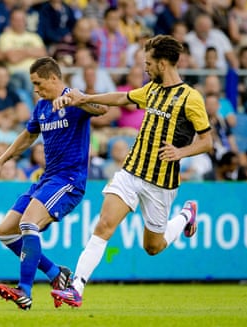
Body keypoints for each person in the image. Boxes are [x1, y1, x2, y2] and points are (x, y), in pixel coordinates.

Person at [50, 35, 213, 308]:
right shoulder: (151, 90)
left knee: (153, 247)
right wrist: (84, 98)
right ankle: (76, 287)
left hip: (161, 182)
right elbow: (121, 98)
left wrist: (180, 152)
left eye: (149, 63)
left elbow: (208, 141)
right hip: (131, 171)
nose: (145, 68)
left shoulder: (191, 98)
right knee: (104, 225)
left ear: (163, 63)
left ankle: (186, 214)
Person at [0, 56, 108, 310]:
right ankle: (55, 273)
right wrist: (1, 161)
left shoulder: (75, 100)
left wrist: (80, 99)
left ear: (54, 78)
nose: (36, 89)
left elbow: (103, 109)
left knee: (28, 222)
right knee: (6, 231)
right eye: (33, 84)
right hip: (47, 179)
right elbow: (28, 136)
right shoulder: (42, 106)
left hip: (69, 180)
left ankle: (24, 290)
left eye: (39, 83)